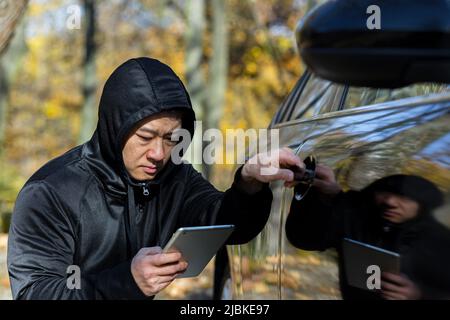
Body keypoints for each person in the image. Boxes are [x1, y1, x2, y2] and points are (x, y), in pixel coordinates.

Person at [7, 57, 305, 300]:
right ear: (115, 128)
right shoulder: (50, 192)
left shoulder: (175, 177)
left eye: (172, 138)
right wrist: (126, 282)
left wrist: (249, 184)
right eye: (145, 137)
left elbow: (225, 224)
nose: (159, 153)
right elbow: (35, 293)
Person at [286, 164, 450, 300]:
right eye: (383, 192)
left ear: (423, 205)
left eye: (406, 198)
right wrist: (327, 197)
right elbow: (305, 238)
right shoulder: (359, 217)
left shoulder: (440, 241)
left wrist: (419, 294)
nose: (390, 201)